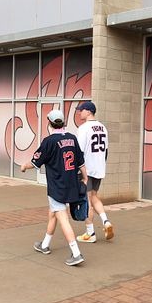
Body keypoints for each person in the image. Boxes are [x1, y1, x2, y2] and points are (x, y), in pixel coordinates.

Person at [21, 109, 88, 266]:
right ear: (63, 123)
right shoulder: (72, 138)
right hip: (72, 184)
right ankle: (44, 245)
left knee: (62, 217)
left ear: (49, 123)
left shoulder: (49, 141)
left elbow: (35, 162)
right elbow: (81, 162)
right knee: (53, 214)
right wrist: (85, 178)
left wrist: (24, 166)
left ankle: (76, 253)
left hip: (57, 187)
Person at [75, 100, 114, 243]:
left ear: (89, 111)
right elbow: (106, 151)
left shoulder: (84, 128)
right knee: (94, 197)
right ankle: (106, 222)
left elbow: (79, 151)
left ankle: (90, 233)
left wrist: (76, 170)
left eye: (82, 110)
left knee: (86, 201)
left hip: (87, 168)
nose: (80, 112)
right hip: (99, 167)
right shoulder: (103, 127)